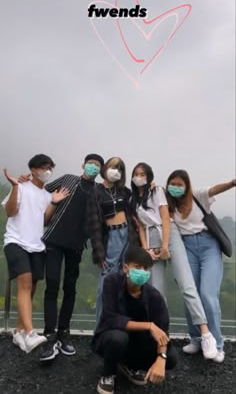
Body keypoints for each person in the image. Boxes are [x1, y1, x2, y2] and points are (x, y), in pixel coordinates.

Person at [18, 153, 104, 362]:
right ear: (83, 164)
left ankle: (64, 333)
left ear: (100, 171)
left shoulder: (97, 191)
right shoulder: (68, 179)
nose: (93, 167)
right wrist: (24, 180)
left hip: (76, 246)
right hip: (54, 240)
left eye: (97, 165)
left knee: (70, 288)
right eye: (90, 163)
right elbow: (41, 190)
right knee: (52, 285)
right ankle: (49, 334)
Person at [130, 162, 218, 360]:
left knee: (187, 286)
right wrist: (146, 249)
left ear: (149, 175)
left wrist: (164, 246)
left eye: (143, 174)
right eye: (136, 174)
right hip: (150, 242)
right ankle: (162, 338)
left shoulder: (158, 191)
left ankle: (205, 334)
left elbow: (165, 218)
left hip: (169, 237)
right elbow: (141, 227)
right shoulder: (134, 199)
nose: (139, 177)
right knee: (157, 292)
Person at [166, 170, 236, 363]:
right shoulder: (169, 204)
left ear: (187, 185)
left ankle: (217, 344)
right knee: (191, 294)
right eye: (173, 184)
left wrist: (232, 182)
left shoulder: (197, 196)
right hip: (186, 248)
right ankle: (196, 339)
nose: (176, 188)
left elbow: (216, 189)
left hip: (208, 247)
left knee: (207, 295)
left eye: (180, 184)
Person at [1, 154, 69, 353]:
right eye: (42, 167)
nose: (46, 171)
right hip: (16, 241)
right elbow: (11, 212)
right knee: (25, 282)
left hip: (37, 245)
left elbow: (45, 221)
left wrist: (54, 202)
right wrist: (14, 186)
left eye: (49, 167)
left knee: (31, 288)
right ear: (32, 170)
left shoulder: (47, 195)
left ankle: (19, 331)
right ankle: (30, 333)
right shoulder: (21, 187)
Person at [92, 246, 178, 394]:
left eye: (146, 268)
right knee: (118, 338)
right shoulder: (111, 282)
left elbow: (163, 331)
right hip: (110, 340)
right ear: (126, 268)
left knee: (171, 358)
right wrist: (149, 326)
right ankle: (108, 374)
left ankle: (132, 366)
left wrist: (161, 357)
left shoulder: (154, 297)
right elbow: (111, 319)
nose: (142, 272)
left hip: (139, 344)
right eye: (137, 267)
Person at [87, 157, 139, 324]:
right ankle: (101, 329)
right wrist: (99, 254)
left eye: (119, 169)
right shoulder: (95, 191)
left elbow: (139, 202)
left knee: (126, 284)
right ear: (105, 168)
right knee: (105, 285)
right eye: (112, 167)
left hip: (129, 236)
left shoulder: (124, 191)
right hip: (111, 239)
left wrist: (150, 186)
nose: (115, 171)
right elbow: (94, 226)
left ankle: (121, 326)